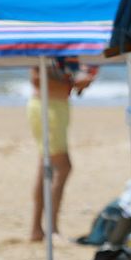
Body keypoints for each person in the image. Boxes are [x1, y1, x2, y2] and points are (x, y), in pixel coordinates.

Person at [28, 57, 98, 242]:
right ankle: (51, 228)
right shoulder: (46, 47)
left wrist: (79, 81)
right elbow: (36, 79)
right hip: (47, 107)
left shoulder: (65, 52)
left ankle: (38, 228)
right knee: (63, 167)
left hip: (55, 106)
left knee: (45, 168)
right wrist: (73, 82)